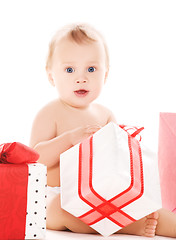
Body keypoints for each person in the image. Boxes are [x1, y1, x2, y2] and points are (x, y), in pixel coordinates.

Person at [30, 23, 176, 238]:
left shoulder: (105, 115)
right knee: (56, 211)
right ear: (51, 75)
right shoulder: (50, 113)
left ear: (105, 75)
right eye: (69, 69)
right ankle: (128, 226)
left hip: (96, 193)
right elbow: (36, 159)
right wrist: (69, 139)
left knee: (149, 208)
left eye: (91, 69)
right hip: (56, 195)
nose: (81, 78)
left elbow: (115, 164)